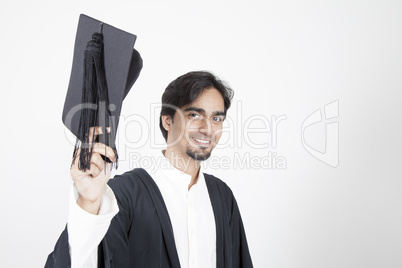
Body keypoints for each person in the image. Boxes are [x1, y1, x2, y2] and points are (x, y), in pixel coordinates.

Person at [46, 71, 253, 268]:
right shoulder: (124, 193)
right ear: (167, 120)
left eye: (217, 118)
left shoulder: (222, 197)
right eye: (194, 114)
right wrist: (89, 202)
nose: (208, 128)